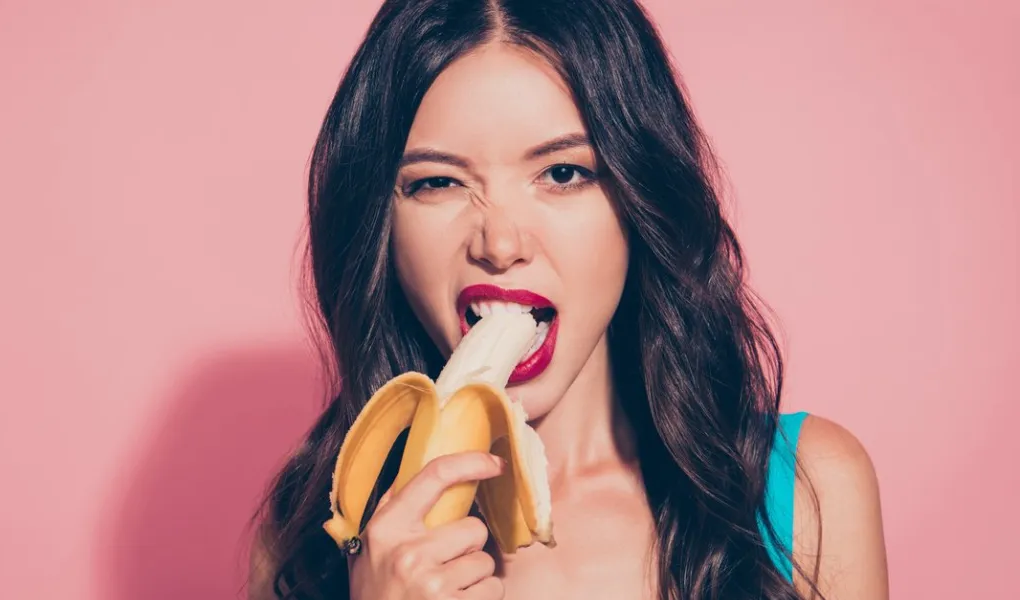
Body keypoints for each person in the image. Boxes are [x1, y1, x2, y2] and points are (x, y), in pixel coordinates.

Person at [244, 0, 888, 598]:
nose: (500, 242)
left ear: (640, 204)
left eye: (562, 173)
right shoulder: (309, 544)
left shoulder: (807, 494)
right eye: (437, 181)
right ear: (379, 227)